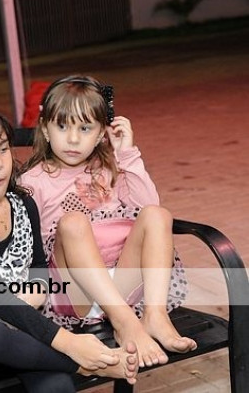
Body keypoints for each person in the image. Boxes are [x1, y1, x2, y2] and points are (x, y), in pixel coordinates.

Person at [0, 98, 139, 392]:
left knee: (56, 385)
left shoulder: (23, 204)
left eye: (2, 149)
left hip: (27, 330)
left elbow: (38, 264)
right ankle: (87, 363)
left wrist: (37, 288)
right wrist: (72, 345)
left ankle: (77, 362)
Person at [20, 75, 197, 368]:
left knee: (158, 215)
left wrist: (126, 152)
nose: (73, 139)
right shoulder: (32, 182)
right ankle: (125, 322)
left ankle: (154, 315)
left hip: (123, 284)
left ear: (101, 133)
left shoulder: (110, 169)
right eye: (62, 126)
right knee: (73, 223)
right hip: (76, 291)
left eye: (85, 128)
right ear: (45, 129)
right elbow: (27, 248)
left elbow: (148, 206)